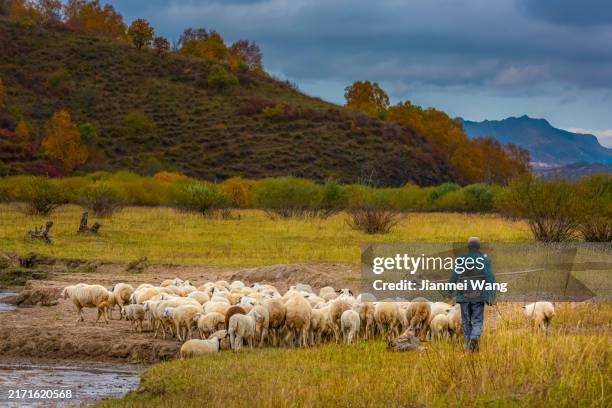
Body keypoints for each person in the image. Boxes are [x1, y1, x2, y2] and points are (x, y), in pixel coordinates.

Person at [448, 237, 496, 352]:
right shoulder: (484, 260)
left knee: (465, 321)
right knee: (477, 320)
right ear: (479, 247)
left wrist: (449, 291)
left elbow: (454, 276)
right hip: (478, 295)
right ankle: (474, 337)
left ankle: (467, 344)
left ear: (468, 247)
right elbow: (490, 277)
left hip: (464, 295)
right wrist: (492, 293)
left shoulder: (461, 260)